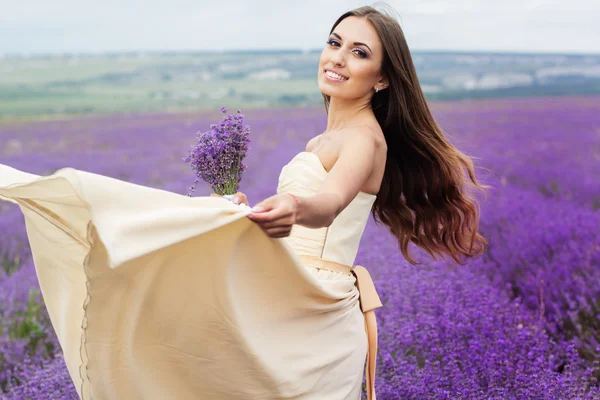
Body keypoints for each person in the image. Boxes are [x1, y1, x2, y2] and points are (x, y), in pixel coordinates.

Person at [0, 4, 488, 400]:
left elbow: (330, 203)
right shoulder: (332, 135)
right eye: (334, 43)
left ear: (382, 78)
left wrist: (295, 209)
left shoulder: (364, 138)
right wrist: (246, 212)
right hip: (285, 287)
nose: (337, 58)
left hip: (310, 305)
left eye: (358, 52)